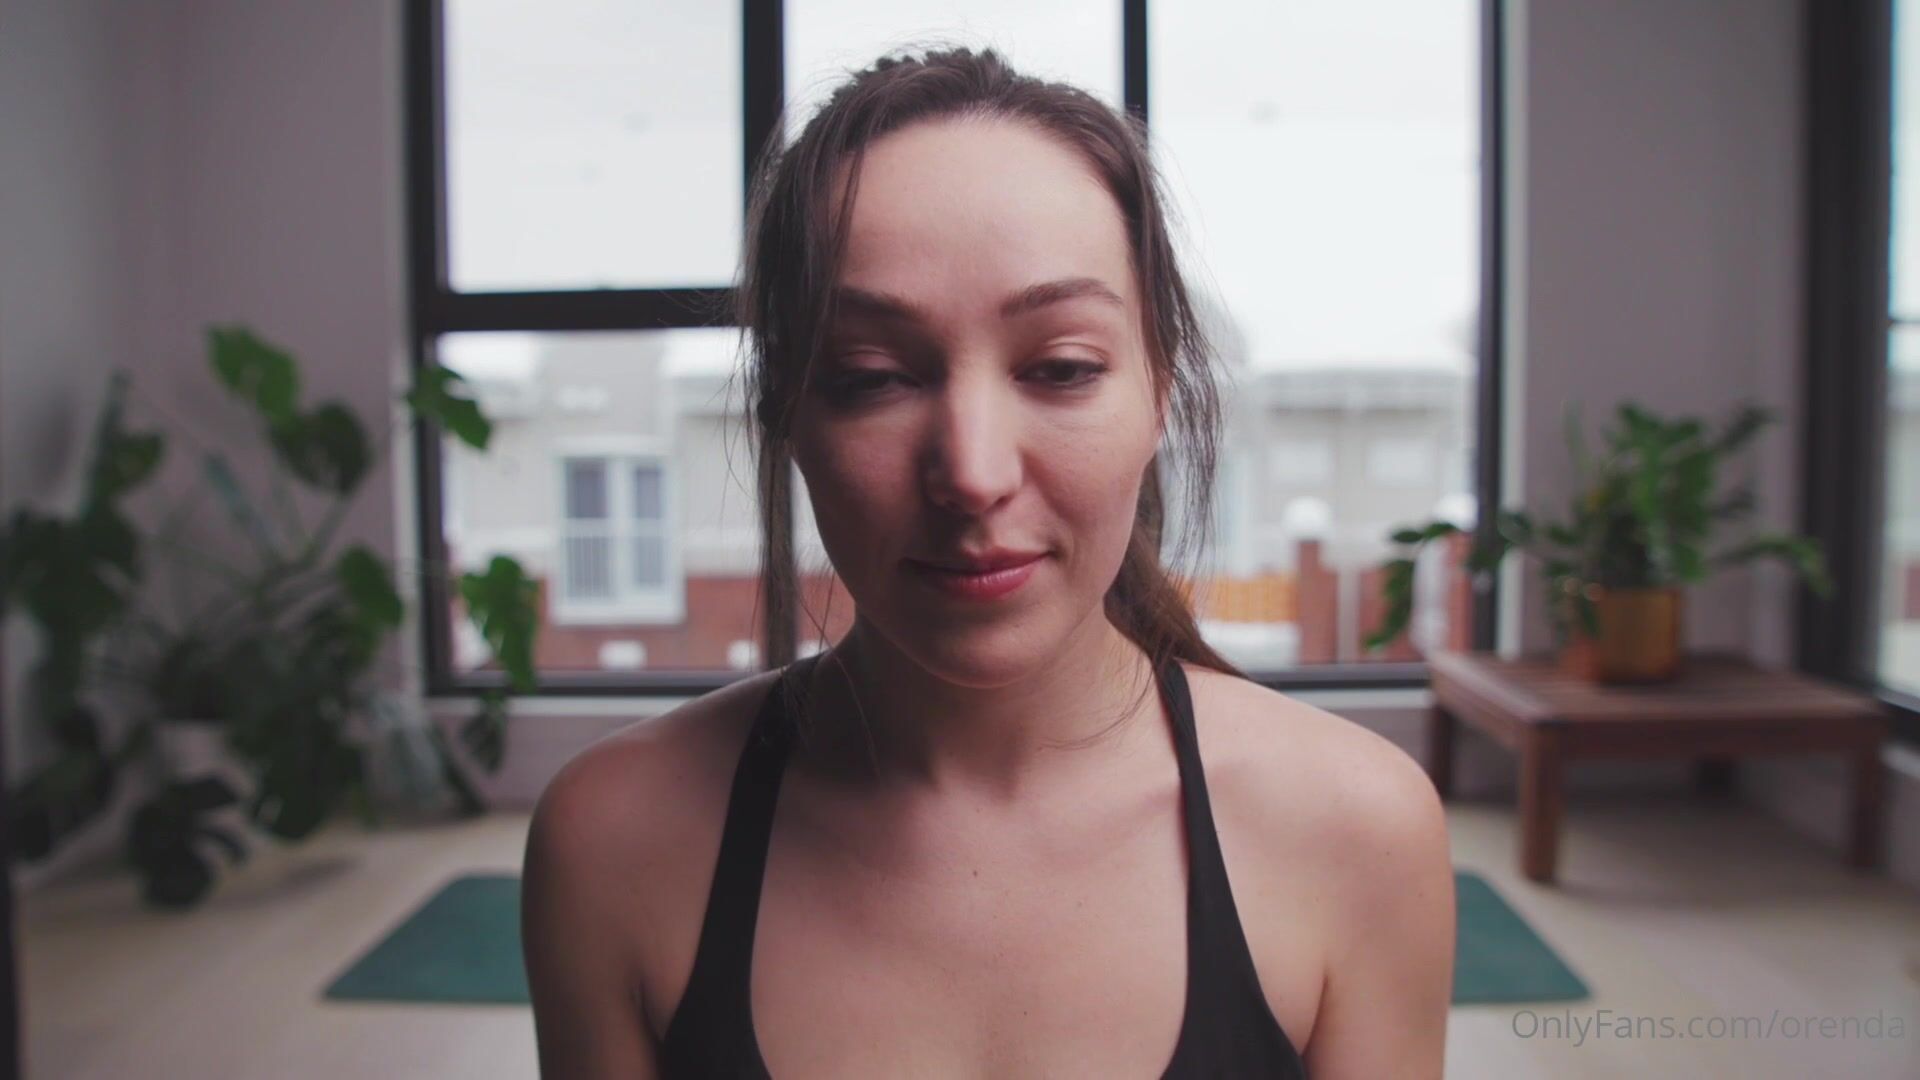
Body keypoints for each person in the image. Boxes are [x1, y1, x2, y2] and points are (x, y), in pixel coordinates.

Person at [522, 45, 1454, 1078]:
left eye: (1061, 367)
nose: (972, 473)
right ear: (787, 410)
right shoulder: (613, 844)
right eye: (874, 375)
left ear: (1159, 391)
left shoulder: (1358, 832)